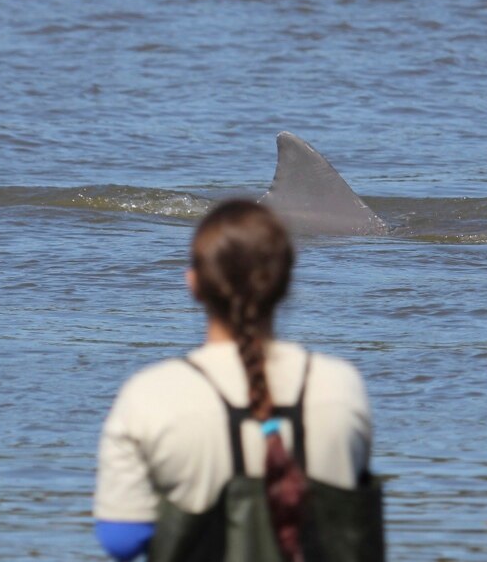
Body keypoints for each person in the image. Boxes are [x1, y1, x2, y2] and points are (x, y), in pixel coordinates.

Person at [94, 199, 373, 561]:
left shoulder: (151, 394)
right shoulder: (341, 386)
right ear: (286, 283)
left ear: (194, 283)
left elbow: (121, 540)